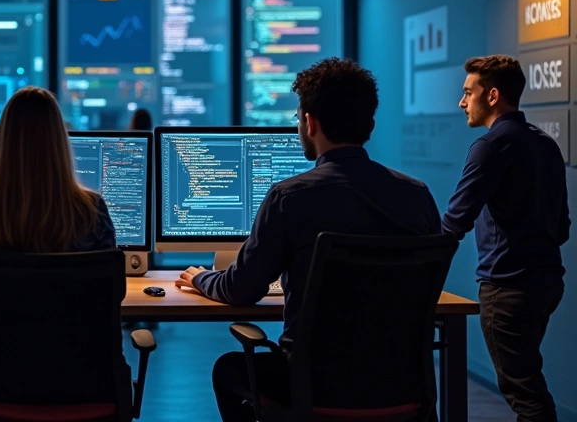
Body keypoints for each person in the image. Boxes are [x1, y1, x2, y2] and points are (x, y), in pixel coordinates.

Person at [173, 58, 441, 422]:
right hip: (403, 387)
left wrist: (201, 278)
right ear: (370, 125)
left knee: (229, 369)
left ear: (309, 122)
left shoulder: (290, 197)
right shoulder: (417, 196)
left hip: (314, 386)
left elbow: (240, 289)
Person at [442, 55, 568, 422]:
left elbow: (454, 223)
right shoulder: (546, 144)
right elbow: (562, 228)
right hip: (546, 284)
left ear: (492, 95)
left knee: (525, 395)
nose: (462, 102)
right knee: (528, 384)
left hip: (507, 290)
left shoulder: (491, 146)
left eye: (468, 92)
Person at [0, 86, 117, 303]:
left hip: (4, 338)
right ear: (59, 141)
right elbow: (110, 293)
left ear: (3, 142)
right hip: (73, 337)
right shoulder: (92, 210)